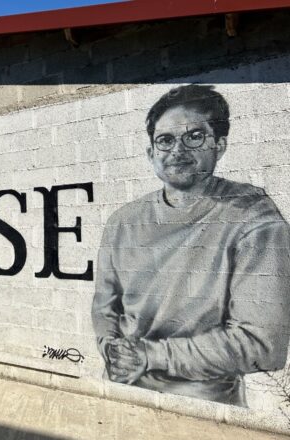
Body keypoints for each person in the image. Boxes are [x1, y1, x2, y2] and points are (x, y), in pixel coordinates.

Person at [91, 84, 290, 406]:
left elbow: (262, 344)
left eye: (194, 137)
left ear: (220, 145)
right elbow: (104, 305)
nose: (177, 151)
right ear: (151, 153)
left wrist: (148, 356)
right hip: (119, 391)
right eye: (165, 140)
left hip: (201, 406)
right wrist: (112, 350)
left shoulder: (254, 219)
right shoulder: (123, 221)